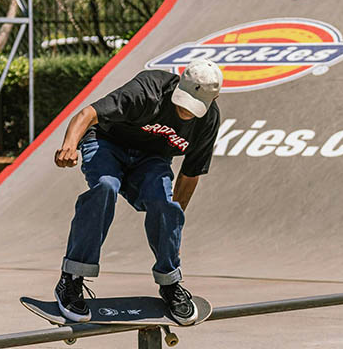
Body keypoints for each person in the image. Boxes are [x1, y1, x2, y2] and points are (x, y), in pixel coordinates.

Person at [53, 59, 223, 325]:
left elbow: (190, 174)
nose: (185, 112)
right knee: (106, 187)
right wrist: (69, 144)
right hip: (107, 143)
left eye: (193, 108)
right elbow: (88, 114)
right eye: (182, 103)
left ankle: (170, 283)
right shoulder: (147, 90)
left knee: (165, 203)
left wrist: (171, 227)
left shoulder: (208, 120)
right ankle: (71, 278)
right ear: (179, 84)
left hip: (151, 159)